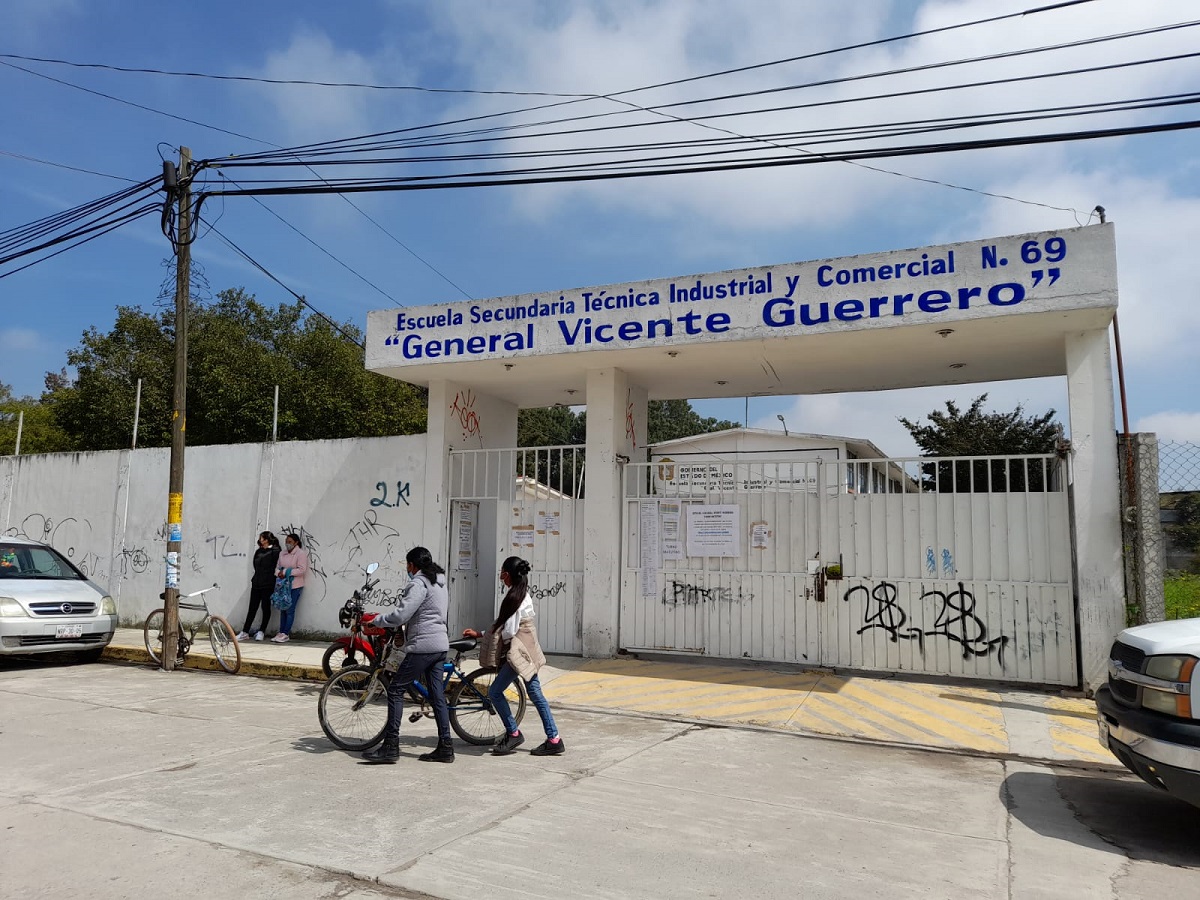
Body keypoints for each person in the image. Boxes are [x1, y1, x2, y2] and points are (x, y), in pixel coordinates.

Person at [362, 546, 455, 764]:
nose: (407, 569)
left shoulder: (418, 584)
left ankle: (391, 746)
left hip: (423, 646)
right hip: (440, 645)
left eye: (407, 565)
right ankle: (446, 747)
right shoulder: (440, 582)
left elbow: (401, 615)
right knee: (437, 697)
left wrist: (376, 620)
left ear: (413, 565)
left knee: (395, 690)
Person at [463, 556, 564, 757]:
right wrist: (482, 633)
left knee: (495, 692)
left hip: (519, 654)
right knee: (536, 694)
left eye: (502, 572)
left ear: (507, 575)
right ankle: (554, 739)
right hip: (528, 651)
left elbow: (508, 630)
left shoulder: (514, 598)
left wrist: (487, 636)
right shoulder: (522, 594)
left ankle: (514, 732)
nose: (500, 576)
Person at [237, 532, 280, 641]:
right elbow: (255, 566)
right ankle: (245, 631)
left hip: (268, 584)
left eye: (263, 538)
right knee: (252, 608)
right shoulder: (259, 551)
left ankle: (262, 631)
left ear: (267, 539)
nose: (261, 539)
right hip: (256, 583)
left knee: (265, 608)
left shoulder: (275, 551)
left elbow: (276, 566)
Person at [272, 532, 309, 643]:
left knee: (290, 610)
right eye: (286, 542)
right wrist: (279, 573)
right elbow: (277, 567)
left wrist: (286, 572)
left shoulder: (300, 554)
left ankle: (286, 633)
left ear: (296, 542)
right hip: (283, 585)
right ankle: (281, 631)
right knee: (283, 608)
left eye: (290, 542)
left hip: (294, 586)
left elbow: (302, 570)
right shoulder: (282, 553)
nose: (287, 544)